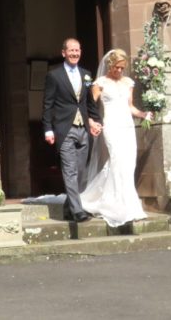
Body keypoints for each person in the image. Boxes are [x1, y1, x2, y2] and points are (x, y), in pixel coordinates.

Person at [80, 48, 149, 227]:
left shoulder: (128, 82)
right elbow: (90, 105)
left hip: (127, 126)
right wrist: (92, 122)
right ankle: (116, 205)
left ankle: (126, 203)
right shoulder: (100, 82)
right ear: (110, 65)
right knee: (117, 161)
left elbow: (130, 107)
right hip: (111, 126)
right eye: (116, 67)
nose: (119, 71)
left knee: (128, 163)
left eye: (122, 68)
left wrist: (143, 114)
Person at [42, 38, 102, 223]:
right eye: (71, 50)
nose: (75, 53)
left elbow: (88, 103)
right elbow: (47, 104)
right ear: (64, 53)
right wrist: (48, 129)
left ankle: (69, 208)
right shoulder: (54, 75)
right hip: (64, 128)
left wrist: (96, 121)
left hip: (83, 128)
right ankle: (78, 211)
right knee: (70, 171)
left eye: (77, 50)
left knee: (81, 172)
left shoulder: (86, 74)